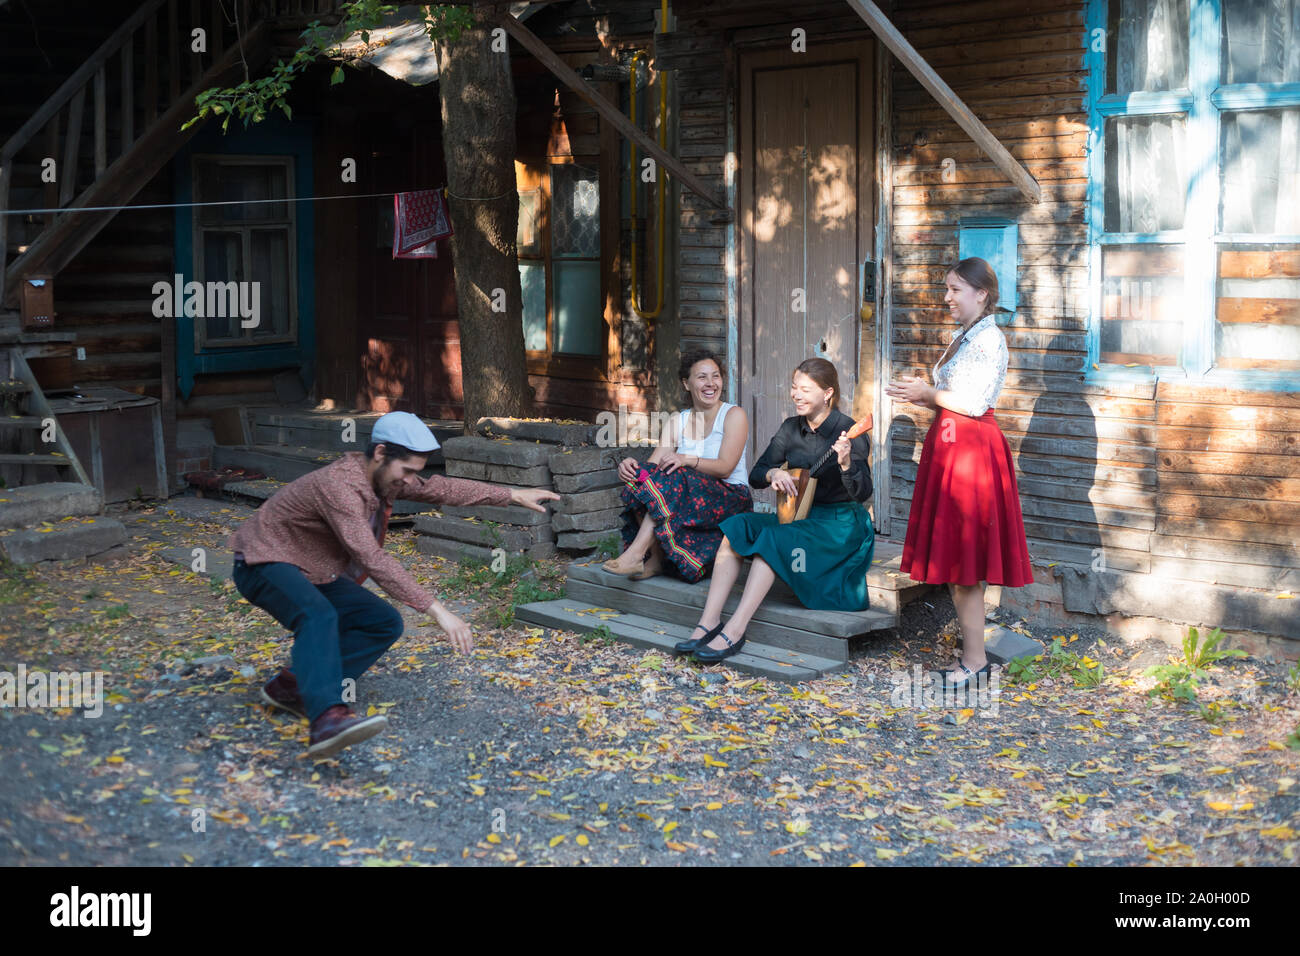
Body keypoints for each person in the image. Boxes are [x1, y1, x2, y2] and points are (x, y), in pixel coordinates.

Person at [228, 411, 558, 757]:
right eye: (407, 472)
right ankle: (326, 718)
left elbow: (443, 488)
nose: (410, 481)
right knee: (318, 616)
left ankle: (290, 688)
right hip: (261, 561)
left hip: (311, 568)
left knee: (382, 622)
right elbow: (371, 557)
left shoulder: (384, 477)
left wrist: (511, 494)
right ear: (381, 453)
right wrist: (438, 611)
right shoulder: (340, 486)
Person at [885, 256, 1033, 691]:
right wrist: (926, 396)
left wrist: (928, 393)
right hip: (954, 446)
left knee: (966, 563)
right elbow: (955, 398)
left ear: (981, 294)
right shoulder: (966, 336)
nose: (946, 297)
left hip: (971, 452)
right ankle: (973, 656)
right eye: (947, 289)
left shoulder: (989, 341)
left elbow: (973, 402)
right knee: (957, 563)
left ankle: (974, 661)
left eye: (955, 290)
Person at [677, 358, 875, 664]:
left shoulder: (849, 432)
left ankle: (735, 629)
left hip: (839, 524)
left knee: (773, 539)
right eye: (794, 387)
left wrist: (846, 464)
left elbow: (864, 492)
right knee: (738, 525)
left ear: (828, 393)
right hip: (796, 514)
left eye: (805, 389)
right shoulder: (790, 428)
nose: (796, 394)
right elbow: (758, 472)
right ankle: (709, 621)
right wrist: (775, 475)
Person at [604, 349, 753, 582]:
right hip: (689, 496)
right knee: (642, 481)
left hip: (730, 497)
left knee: (678, 473)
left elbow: (725, 467)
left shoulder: (734, 415)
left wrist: (686, 459)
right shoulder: (678, 420)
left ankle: (636, 553)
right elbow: (652, 471)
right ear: (686, 383)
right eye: (702, 377)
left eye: (716, 376)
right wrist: (632, 468)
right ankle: (655, 559)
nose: (711, 383)